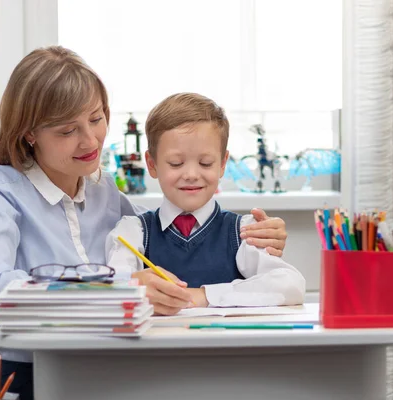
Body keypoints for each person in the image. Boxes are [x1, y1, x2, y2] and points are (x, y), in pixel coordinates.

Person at [0, 46, 289, 400]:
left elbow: (167, 220)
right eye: (68, 130)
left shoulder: (101, 188)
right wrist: (119, 291)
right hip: (23, 377)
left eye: (96, 119)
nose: (90, 140)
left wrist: (252, 232)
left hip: (98, 374)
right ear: (29, 133)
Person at [106, 93, 305, 313]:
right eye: (176, 163)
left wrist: (203, 296)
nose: (191, 174)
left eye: (205, 163)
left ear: (222, 164)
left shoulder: (242, 231)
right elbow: (114, 287)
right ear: (152, 165)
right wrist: (134, 287)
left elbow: (291, 285)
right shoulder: (132, 231)